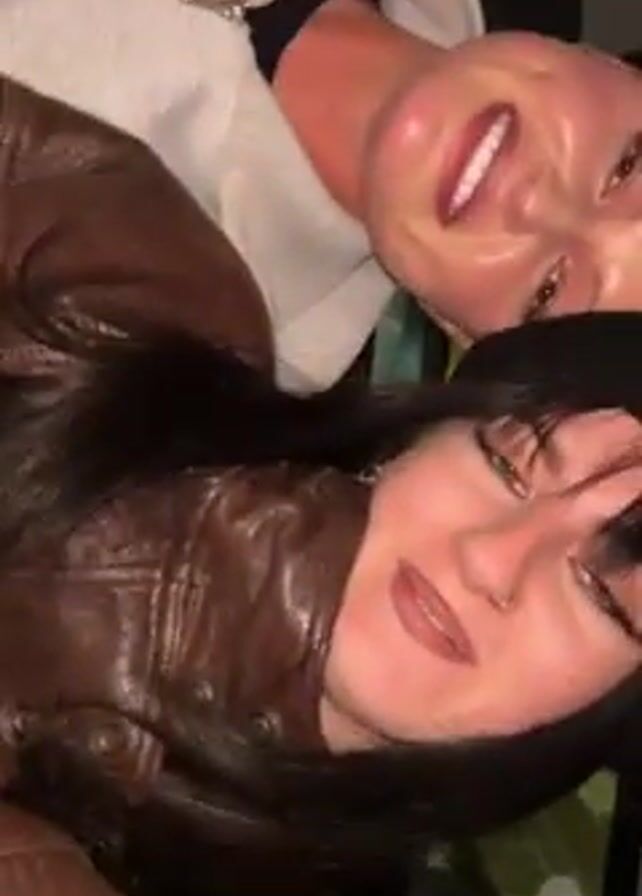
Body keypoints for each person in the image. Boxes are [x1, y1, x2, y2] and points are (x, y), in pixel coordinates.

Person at [0, 74, 639, 896]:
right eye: (509, 462)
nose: (491, 559)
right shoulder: (142, 306)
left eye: (602, 594)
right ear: (412, 442)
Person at [0, 0, 594, 390]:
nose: (536, 205)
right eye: (627, 167)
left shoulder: (135, 341)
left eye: (547, 290)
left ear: (470, 337)